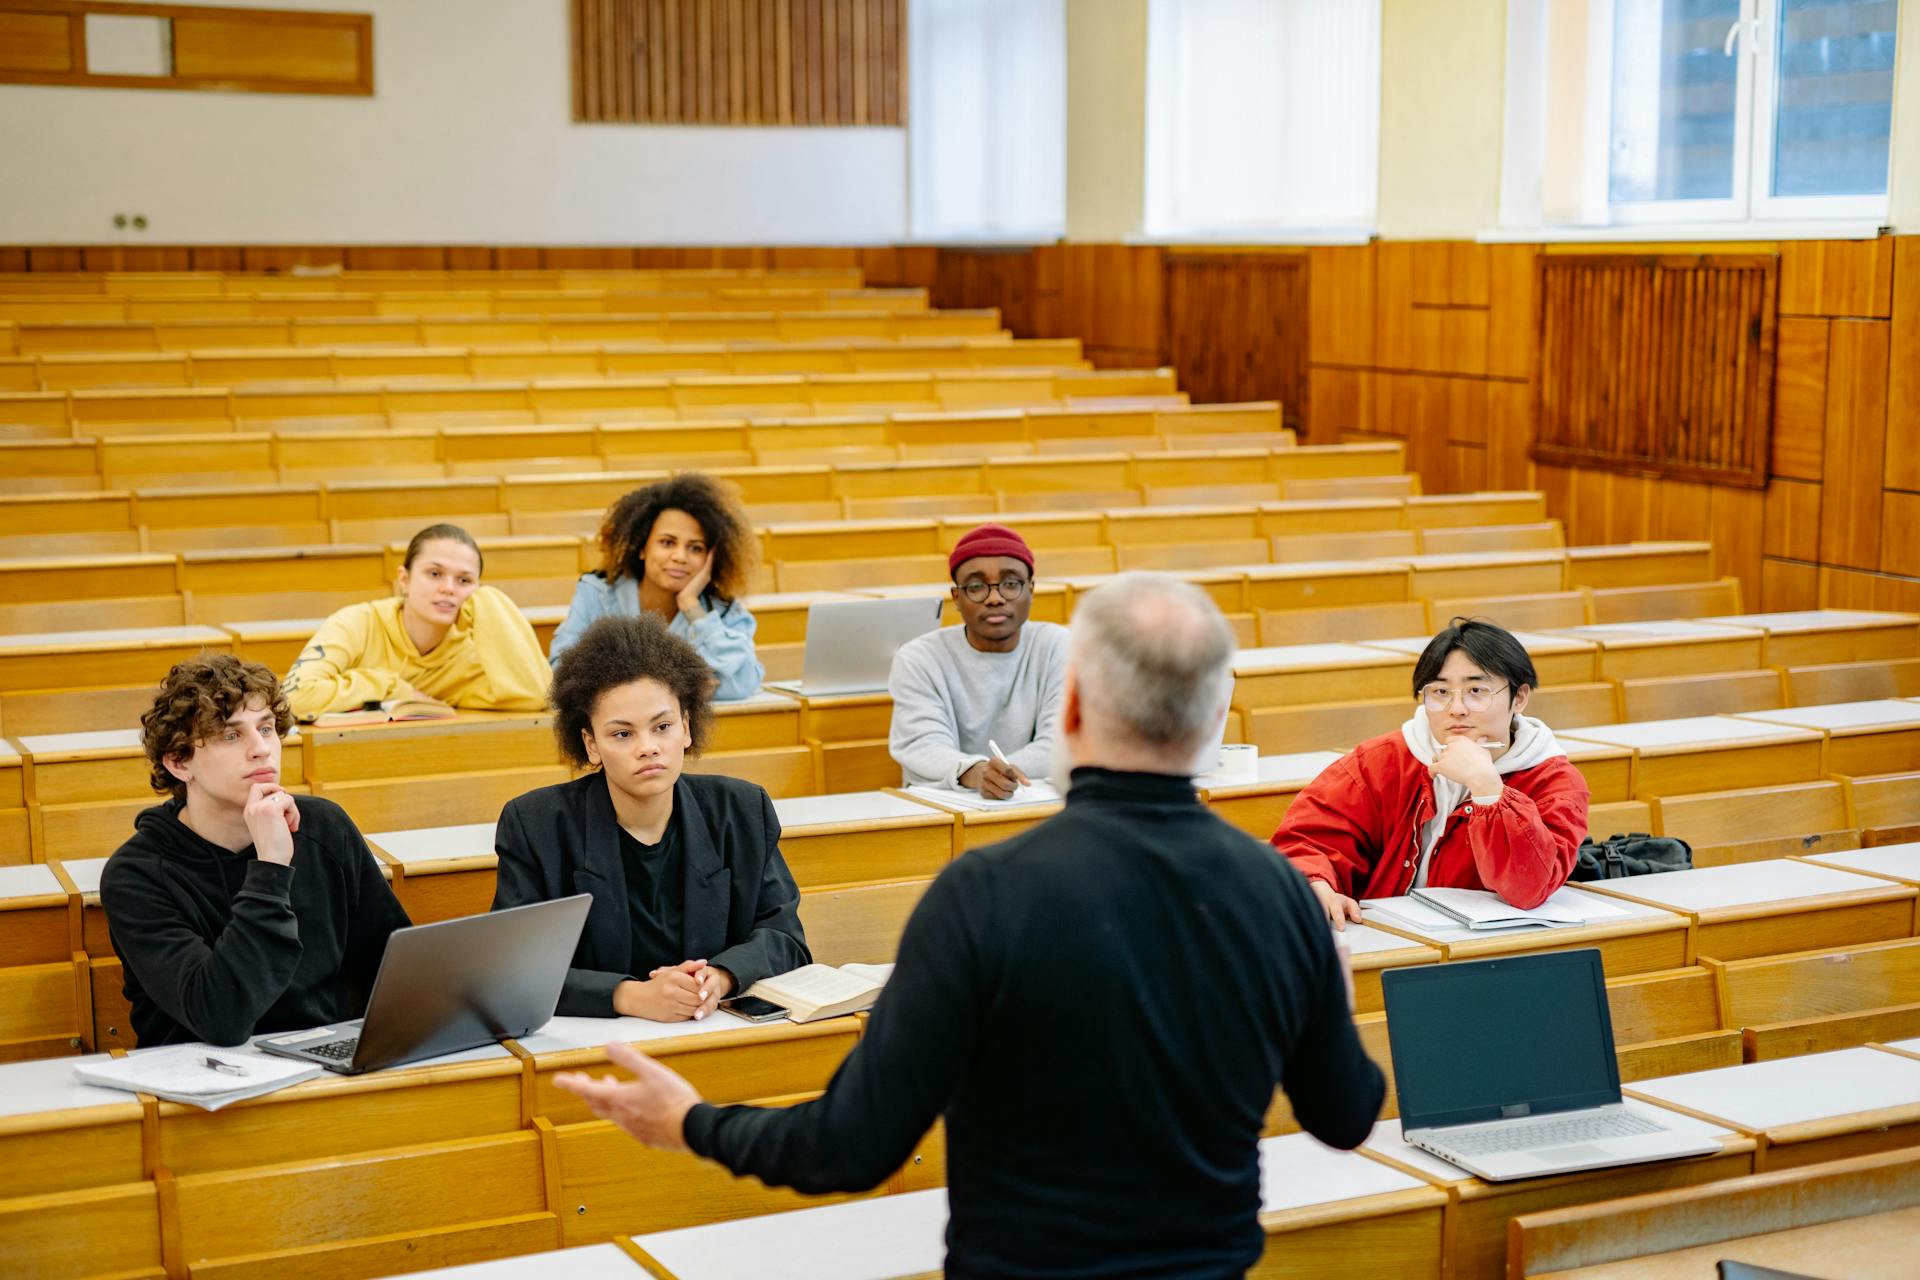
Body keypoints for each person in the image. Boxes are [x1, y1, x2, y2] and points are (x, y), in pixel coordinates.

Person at [554, 573, 1385, 1279]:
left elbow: (851, 1145)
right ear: (1214, 721)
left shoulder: (986, 893)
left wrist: (690, 1122)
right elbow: (1347, 1116)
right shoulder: (1279, 893)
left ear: (1069, 712)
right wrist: (1326, 991)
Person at [492, 614, 808, 1021]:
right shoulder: (535, 825)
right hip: (595, 1047)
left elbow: (785, 937)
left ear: (687, 728)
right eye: (623, 734)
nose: (648, 748)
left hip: (711, 1028)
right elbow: (514, 968)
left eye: (662, 726)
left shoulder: (741, 809)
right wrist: (629, 996)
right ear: (590, 743)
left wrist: (720, 977)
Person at [99, 655, 411, 1047]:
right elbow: (222, 1017)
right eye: (232, 735)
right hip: (203, 1081)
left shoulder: (323, 827)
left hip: (322, 1064)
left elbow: (395, 967)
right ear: (179, 763)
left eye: (266, 728)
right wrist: (271, 868)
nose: (261, 749)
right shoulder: (136, 875)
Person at [1273, 617, 1591, 927]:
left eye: (1477, 691)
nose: (1456, 708)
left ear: (1519, 698)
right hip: (1386, 938)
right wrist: (1313, 882)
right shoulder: (1381, 761)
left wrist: (1488, 790)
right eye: (1439, 693)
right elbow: (1308, 840)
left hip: (1488, 953)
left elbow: (1529, 888)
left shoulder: (1555, 782)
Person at [282, 523, 550, 720]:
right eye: (434, 573)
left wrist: (488, 600)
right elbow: (295, 698)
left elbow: (536, 696)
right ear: (405, 579)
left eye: (465, 580)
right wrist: (393, 687)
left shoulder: (471, 656)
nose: (448, 588)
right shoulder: (356, 623)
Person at [887, 522, 1068, 799]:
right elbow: (921, 745)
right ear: (956, 597)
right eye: (976, 586)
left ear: (1031, 590)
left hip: (1035, 800)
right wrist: (976, 772)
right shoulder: (918, 658)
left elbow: (1062, 742)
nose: (995, 598)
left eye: (1010, 584)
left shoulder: (1060, 646)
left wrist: (1002, 774)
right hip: (945, 805)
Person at [547, 474, 765, 701]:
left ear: (711, 559)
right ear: (642, 547)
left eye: (696, 548)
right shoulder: (598, 593)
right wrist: (680, 686)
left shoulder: (722, 610)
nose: (680, 556)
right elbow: (560, 670)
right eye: (667, 543)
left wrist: (692, 608)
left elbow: (744, 682)